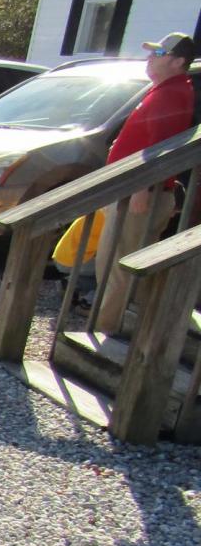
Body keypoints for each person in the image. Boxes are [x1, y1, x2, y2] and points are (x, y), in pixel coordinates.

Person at [90, 32, 196, 330]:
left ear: (178, 62)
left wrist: (142, 188)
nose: (150, 58)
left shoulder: (172, 94)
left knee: (116, 266)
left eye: (159, 53)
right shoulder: (163, 90)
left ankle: (102, 332)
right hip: (136, 191)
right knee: (124, 263)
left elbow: (160, 147)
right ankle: (151, 324)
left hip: (140, 194)